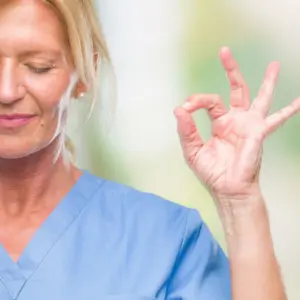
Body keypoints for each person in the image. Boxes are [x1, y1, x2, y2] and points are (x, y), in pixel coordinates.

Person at [0, 1, 298, 300]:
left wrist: (240, 203)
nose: (7, 91)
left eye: (39, 67)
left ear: (85, 71)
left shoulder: (163, 241)